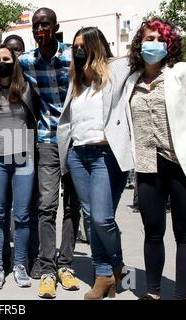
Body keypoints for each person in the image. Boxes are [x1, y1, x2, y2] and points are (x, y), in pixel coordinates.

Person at [123, 18, 186, 300]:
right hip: (147, 165)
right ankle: (154, 293)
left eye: (160, 39)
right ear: (139, 43)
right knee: (152, 232)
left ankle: (181, 296)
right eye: (149, 38)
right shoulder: (130, 80)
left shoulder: (183, 73)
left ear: (169, 44)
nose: (154, 44)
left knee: (185, 233)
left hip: (183, 164)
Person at [58, 27, 133, 300]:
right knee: (90, 218)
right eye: (74, 47)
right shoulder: (76, 82)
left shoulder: (118, 71)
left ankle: (116, 266)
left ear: (96, 47)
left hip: (106, 155)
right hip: (78, 155)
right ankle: (105, 274)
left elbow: (152, 63)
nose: (78, 51)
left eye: (83, 46)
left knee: (102, 218)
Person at [19, 7, 81, 298]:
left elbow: (113, 69)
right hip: (47, 139)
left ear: (56, 27)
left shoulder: (74, 55)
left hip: (77, 139)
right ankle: (47, 269)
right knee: (46, 205)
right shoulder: (26, 62)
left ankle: (65, 265)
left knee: (73, 204)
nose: (39, 30)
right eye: (35, 25)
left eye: (44, 24)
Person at [0, 44, 37, 290]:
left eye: (6, 58)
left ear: (14, 61)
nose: (2, 62)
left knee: (23, 214)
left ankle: (20, 264)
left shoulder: (27, 87)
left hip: (24, 158)